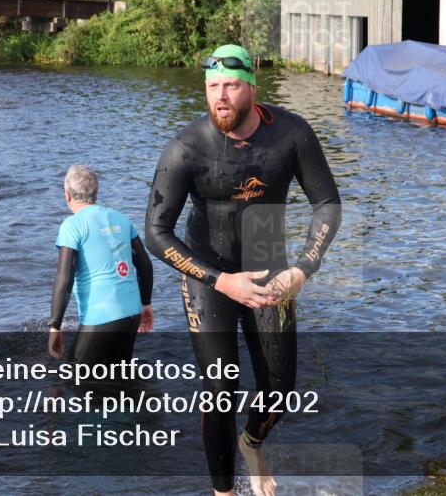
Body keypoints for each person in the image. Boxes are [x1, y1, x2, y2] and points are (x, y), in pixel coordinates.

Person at [144, 44, 341, 496]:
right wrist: (222, 281)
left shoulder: (291, 134)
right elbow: (156, 232)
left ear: (252, 86)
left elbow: (327, 204)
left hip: (267, 258)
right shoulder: (186, 148)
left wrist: (303, 268)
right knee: (220, 389)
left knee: (280, 388)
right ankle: (224, 492)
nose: (220, 96)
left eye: (231, 85)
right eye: (213, 86)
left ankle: (251, 444)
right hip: (208, 273)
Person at [49, 165, 154, 366]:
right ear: (95, 193)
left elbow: (64, 279)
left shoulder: (72, 225)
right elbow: (145, 265)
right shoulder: (121, 218)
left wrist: (55, 326)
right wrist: (146, 304)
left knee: (73, 377)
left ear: (67, 194)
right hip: (132, 313)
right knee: (118, 374)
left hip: (101, 315)